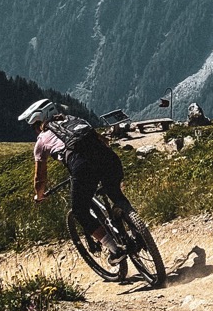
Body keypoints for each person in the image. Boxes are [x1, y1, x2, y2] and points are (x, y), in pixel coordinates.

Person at [18, 98, 130, 261]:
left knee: (79, 211)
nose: (35, 131)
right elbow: (103, 141)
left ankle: (115, 250)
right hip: (109, 158)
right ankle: (135, 227)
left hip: (82, 166)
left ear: (39, 121)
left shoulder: (42, 140)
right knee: (114, 193)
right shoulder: (76, 120)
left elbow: (39, 178)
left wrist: (39, 194)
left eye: (34, 126)